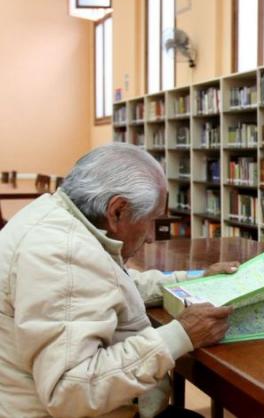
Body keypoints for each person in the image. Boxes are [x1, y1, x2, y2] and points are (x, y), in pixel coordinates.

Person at [0, 143, 238, 418]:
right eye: (151, 220)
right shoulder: (64, 254)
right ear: (117, 211)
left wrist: (192, 280)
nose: (151, 236)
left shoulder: (57, 218)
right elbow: (71, 391)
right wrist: (180, 335)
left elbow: (105, 286)